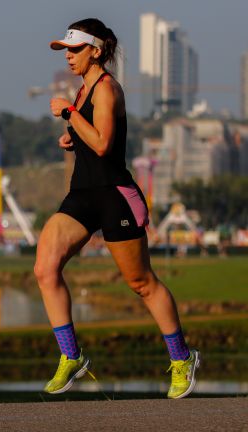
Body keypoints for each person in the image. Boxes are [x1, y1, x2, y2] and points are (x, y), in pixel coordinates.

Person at [35, 18, 200, 399]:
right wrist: (71, 136)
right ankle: (70, 355)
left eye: (74, 50)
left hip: (114, 196)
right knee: (45, 268)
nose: (69, 57)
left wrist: (69, 116)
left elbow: (106, 144)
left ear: (96, 50)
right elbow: (89, 138)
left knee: (141, 283)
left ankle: (182, 358)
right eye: (65, 51)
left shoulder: (107, 89)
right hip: (82, 195)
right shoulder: (82, 91)